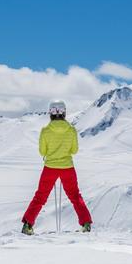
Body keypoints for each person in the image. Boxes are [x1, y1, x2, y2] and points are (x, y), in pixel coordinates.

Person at [21, 100, 92, 235]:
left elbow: (42, 152)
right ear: (64, 112)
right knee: (75, 196)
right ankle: (86, 223)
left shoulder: (45, 131)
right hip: (67, 167)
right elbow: (74, 150)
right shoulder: (71, 130)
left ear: (51, 113)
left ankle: (28, 224)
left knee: (40, 197)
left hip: (50, 167)